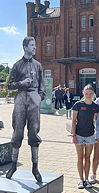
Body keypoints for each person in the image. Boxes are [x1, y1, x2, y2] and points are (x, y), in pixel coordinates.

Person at [6, 36, 45, 182]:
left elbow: (42, 84)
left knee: (34, 131)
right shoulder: (17, 65)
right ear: (25, 47)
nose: (35, 47)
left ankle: (35, 167)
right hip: (21, 98)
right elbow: (10, 85)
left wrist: (39, 97)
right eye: (32, 45)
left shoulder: (38, 65)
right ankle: (14, 165)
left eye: (35, 44)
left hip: (34, 98)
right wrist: (22, 83)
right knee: (17, 131)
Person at [71, 84, 99, 189]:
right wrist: (73, 135)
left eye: (90, 93)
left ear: (93, 94)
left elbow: (95, 121)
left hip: (90, 135)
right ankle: (81, 180)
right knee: (80, 157)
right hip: (78, 134)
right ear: (83, 93)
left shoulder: (95, 107)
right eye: (86, 93)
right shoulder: (78, 105)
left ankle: (86, 180)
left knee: (87, 157)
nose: (88, 95)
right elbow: (73, 121)